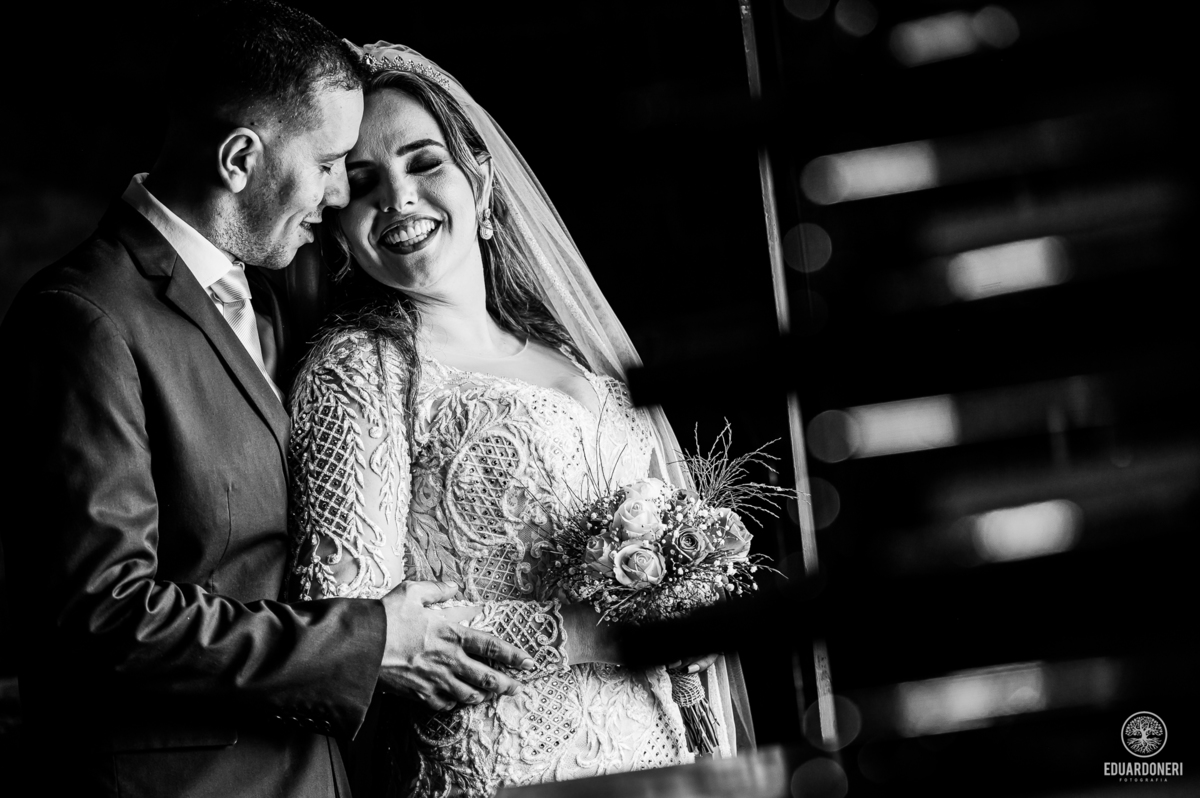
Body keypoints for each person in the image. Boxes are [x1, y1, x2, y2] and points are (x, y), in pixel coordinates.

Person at [0, 6, 535, 797]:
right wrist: (367, 642)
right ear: (241, 157)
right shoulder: (83, 318)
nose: (333, 199)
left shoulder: (276, 302)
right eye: (328, 166)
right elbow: (102, 617)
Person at [288, 42, 754, 797]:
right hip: (508, 765)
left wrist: (688, 616)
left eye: (423, 162)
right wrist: (579, 632)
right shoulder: (363, 368)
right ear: (338, 226)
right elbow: (349, 627)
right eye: (364, 183)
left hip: (658, 752)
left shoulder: (570, 350)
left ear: (482, 176)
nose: (399, 198)